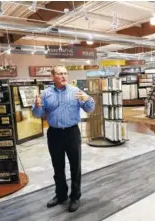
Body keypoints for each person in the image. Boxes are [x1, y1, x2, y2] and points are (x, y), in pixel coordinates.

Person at [32, 65, 95, 212]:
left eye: (65, 73)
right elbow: (38, 114)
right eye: (60, 74)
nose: (63, 76)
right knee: (58, 167)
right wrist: (36, 107)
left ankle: (75, 196)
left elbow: (89, 109)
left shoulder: (76, 92)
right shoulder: (46, 93)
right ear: (52, 76)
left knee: (75, 166)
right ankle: (61, 195)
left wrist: (88, 99)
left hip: (72, 133)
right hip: (54, 134)